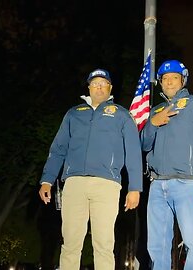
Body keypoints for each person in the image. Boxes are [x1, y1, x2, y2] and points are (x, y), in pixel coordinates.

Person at [38, 68, 143, 270]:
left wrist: (134, 188)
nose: (99, 87)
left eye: (103, 83)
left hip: (107, 185)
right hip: (74, 184)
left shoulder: (122, 115)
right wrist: (47, 180)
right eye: (95, 83)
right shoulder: (73, 113)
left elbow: (133, 152)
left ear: (110, 87)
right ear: (89, 87)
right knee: (70, 243)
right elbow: (58, 148)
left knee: (103, 244)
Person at [141, 60, 193, 269]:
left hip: (188, 184)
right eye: (165, 79)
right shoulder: (155, 110)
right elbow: (144, 144)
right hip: (157, 185)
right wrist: (152, 123)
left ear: (183, 80)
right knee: (157, 246)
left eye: (174, 77)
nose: (169, 82)